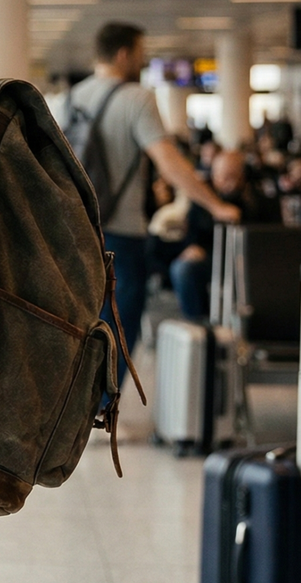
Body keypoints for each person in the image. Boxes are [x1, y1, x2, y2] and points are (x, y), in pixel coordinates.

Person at [66, 22, 238, 383]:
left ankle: (73, 412)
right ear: (124, 53)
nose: (143, 61)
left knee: (77, 327)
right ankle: (103, 408)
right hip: (121, 234)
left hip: (72, 233)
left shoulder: (67, 100)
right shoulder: (137, 98)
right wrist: (214, 205)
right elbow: (169, 162)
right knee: (120, 327)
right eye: (141, 53)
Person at [169, 150, 280, 320]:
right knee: (182, 269)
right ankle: (199, 322)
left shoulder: (258, 199)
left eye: (231, 176)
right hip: (211, 258)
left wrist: (239, 204)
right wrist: (193, 247)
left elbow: (268, 236)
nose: (224, 182)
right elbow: (192, 233)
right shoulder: (204, 198)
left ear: (243, 175)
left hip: (248, 261)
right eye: (220, 176)